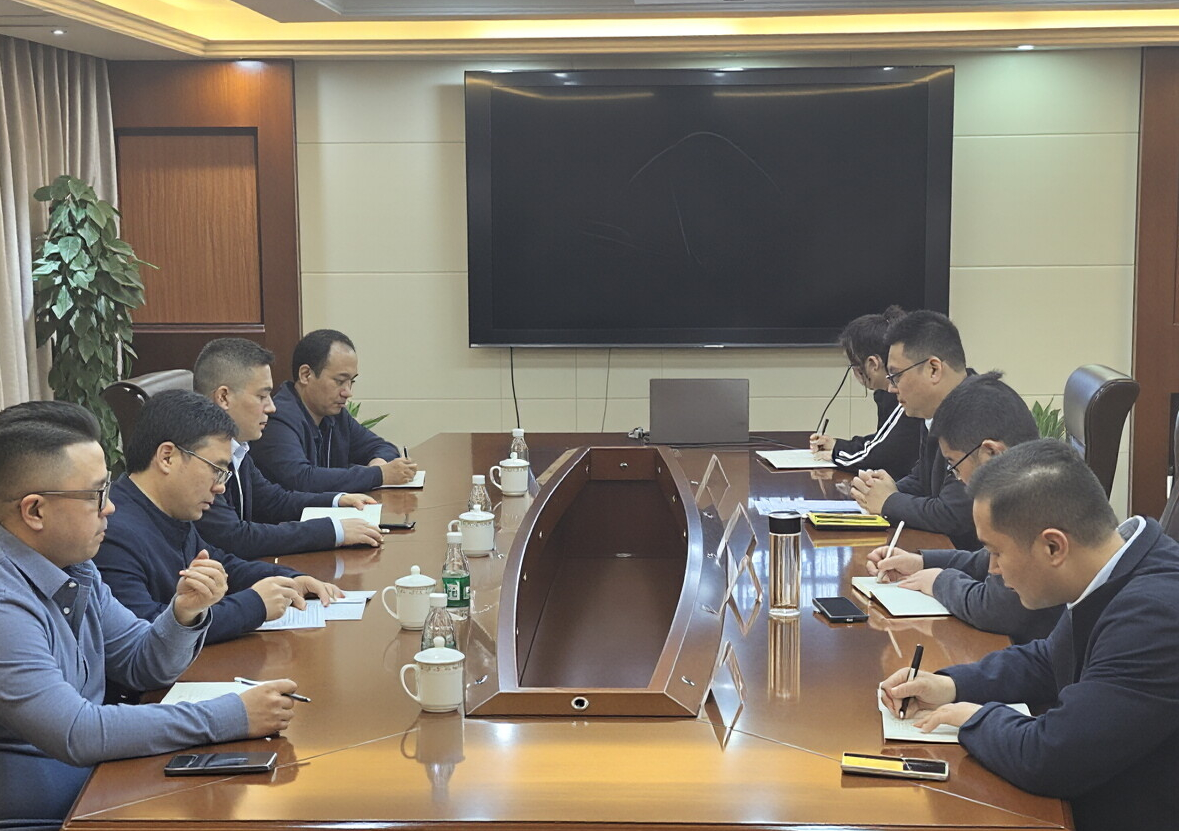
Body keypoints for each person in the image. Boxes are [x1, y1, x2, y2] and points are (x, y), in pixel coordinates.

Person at [0, 401, 299, 827]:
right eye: (96, 495)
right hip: (53, 816)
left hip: (98, 789)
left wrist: (183, 615)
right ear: (34, 511)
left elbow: (143, 663)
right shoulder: (6, 602)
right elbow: (77, 732)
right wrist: (233, 715)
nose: (110, 508)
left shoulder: (74, 565)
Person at [879, 439, 1179, 831]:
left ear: (1053, 546)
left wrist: (975, 720)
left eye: (997, 552)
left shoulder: (1153, 616)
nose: (992, 569)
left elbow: (1054, 759)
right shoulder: (1116, 566)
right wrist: (951, 685)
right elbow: (1050, 659)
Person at [95, 390, 342, 645]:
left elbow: (222, 566)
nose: (220, 487)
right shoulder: (111, 532)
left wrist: (288, 580)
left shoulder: (169, 510)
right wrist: (255, 605)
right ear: (167, 457)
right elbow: (145, 631)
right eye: (216, 469)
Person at [865, 372, 1062, 643]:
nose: (957, 478)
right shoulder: (1032, 478)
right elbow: (984, 559)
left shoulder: (1027, 505)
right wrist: (922, 562)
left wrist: (939, 582)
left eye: (953, 465)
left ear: (991, 452)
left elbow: (995, 608)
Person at [192, 337, 383, 559]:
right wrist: (334, 532)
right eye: (262, 396)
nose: (271, 407)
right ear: (224, 397)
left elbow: (274, 501)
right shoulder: (197, 457)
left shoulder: (237, 448)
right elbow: (236, 538)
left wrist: (336, 500)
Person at [850, 310, 978, 549]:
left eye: (896, 376)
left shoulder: (975, 412)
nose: (891, 388)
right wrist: (880, 490)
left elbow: (953, 514)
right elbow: (923, 480)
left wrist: (890, 501)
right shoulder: (937, 407)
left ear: (933, 369)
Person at [250, 329, 417, 492]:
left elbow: (382, 447)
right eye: (340, 381)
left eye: (351, 382)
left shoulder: (336, 415)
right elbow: (302, 479)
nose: (348, 392)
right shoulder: (277, 418)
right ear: (306, 375)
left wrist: (379, 464)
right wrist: (378, 475)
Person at [809, 306, 921, 480]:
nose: (894, 387)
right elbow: (883, 440)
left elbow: (885, 454)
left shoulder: (908, 394)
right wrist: (838, 445)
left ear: (873, 364)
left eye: (853, 365)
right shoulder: (886, 394)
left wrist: (837, 454)